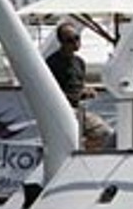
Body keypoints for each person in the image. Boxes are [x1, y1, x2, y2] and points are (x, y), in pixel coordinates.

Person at [46, 22, 112, 151]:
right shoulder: (52, 63)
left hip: (79, 109)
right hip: (63, 109)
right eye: (70, 40)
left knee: (106, 134)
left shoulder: (79, 62)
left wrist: (87, 91)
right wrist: (76, 95)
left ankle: (84, 152)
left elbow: (79, 85)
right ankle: (80, 151)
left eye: (77, 38)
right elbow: (50, 93)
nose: (75, 43)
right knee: (104, 133)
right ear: (61, 42)